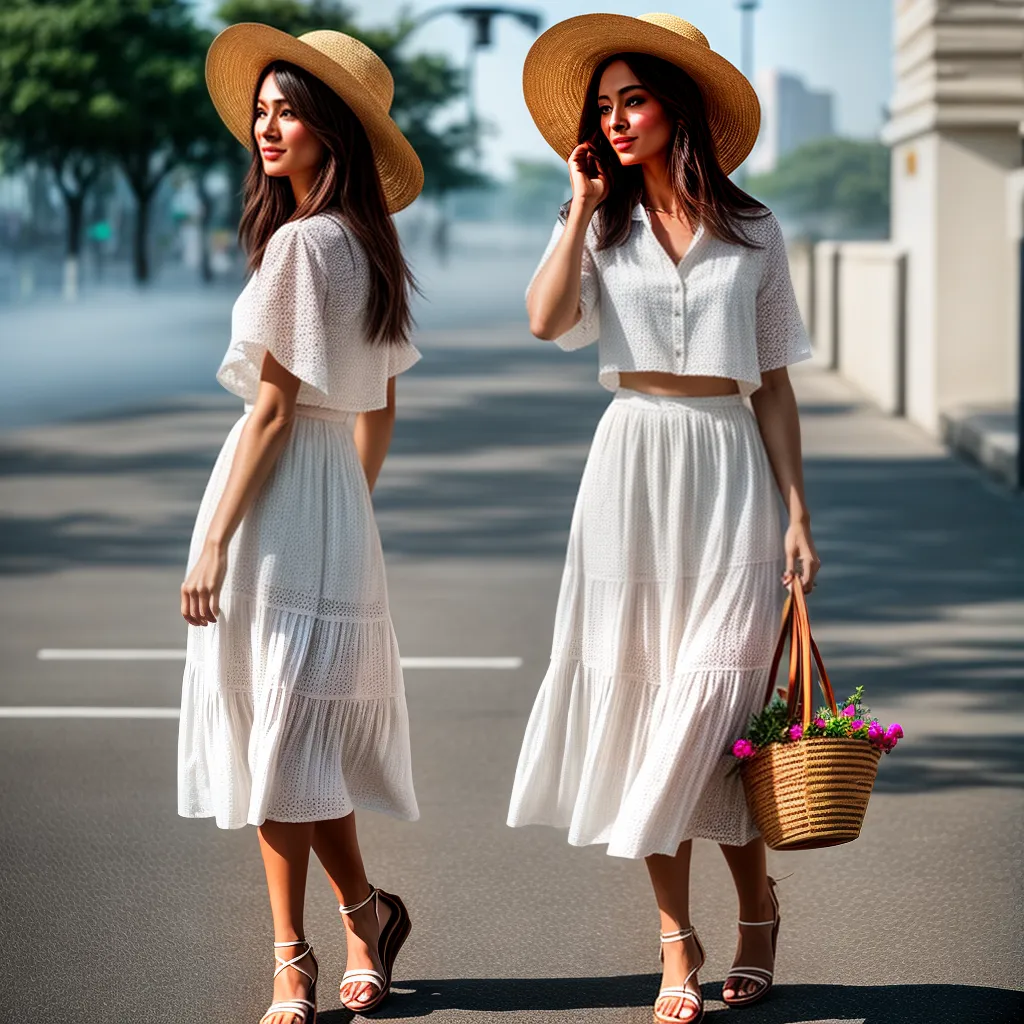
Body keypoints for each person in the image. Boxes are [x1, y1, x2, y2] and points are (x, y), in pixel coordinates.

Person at [506, 14, 821, 1023]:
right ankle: (674, 942)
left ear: (678, 107)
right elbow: (546, 319)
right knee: (649, 706)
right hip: (630, 465)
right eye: (603, 106)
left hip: (729, 465)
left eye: (631, 99)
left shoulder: (755, 230)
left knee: (715, 705)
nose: (615, 119)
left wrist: (797, 514)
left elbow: (771, 382)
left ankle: (756, 908)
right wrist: (574, 205)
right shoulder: (600, 227)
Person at [178, 25, 423, 1024]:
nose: (267, 126)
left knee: (280, 734)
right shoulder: (371, 245)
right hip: (331, 497)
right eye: (263, 109)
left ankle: (304, 954)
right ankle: (352, 923)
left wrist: (213, 541)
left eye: (290, 110)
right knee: (295, 734)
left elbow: (273, 410)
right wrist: (350, 505)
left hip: (278, 495)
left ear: (333, 130)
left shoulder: (298, 244)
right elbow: (382, 408)